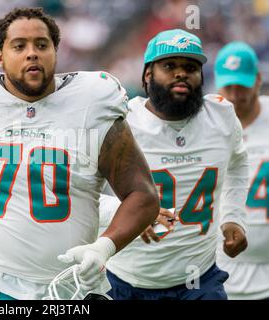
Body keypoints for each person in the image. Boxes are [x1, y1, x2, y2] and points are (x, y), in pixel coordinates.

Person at [0, 7, 160, 300]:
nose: (32, 53)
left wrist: (104, 246)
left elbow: (143, 195)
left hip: (72, 288)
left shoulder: (92, 102)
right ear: (0, 56)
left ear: (56, 52)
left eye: (42, 45)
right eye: (19, 46)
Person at [102, 29, 249, 300]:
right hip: (128, 281)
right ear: (148, 75)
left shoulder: (222, 116)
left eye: (190, 67)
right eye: (169, 66)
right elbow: (84, 190)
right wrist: (132, 211)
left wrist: (233, 217)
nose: (181, 73)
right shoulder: (121, 122)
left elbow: (239, 163)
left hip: (200, 281)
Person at [214, 42, 269, 300]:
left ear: (258, 80)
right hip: (219, 271)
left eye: (242, 85)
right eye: (229, 86)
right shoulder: (206, 123)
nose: (235, 94)